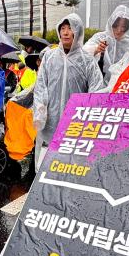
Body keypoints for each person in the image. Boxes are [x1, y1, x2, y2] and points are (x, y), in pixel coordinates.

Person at [33, 13, 104, 167]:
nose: (65, 32)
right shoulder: (49, 57)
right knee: (45, 167)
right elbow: (40, 86)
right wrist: (40, 110)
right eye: (62, 28)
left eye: (70, 28)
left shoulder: (87, 60)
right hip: (49, 123)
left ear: (77, 32)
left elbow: (96, 91)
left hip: (75, 126)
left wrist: (88, 119)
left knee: (71, 168)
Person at [83, 5, 129, 86]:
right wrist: (96, 49)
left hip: (121, 85)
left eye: (123, 27)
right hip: (97, 84)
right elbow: (83, 54)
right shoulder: (100, 37)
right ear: (111, 23)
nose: (119, 30)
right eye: (116, 26)